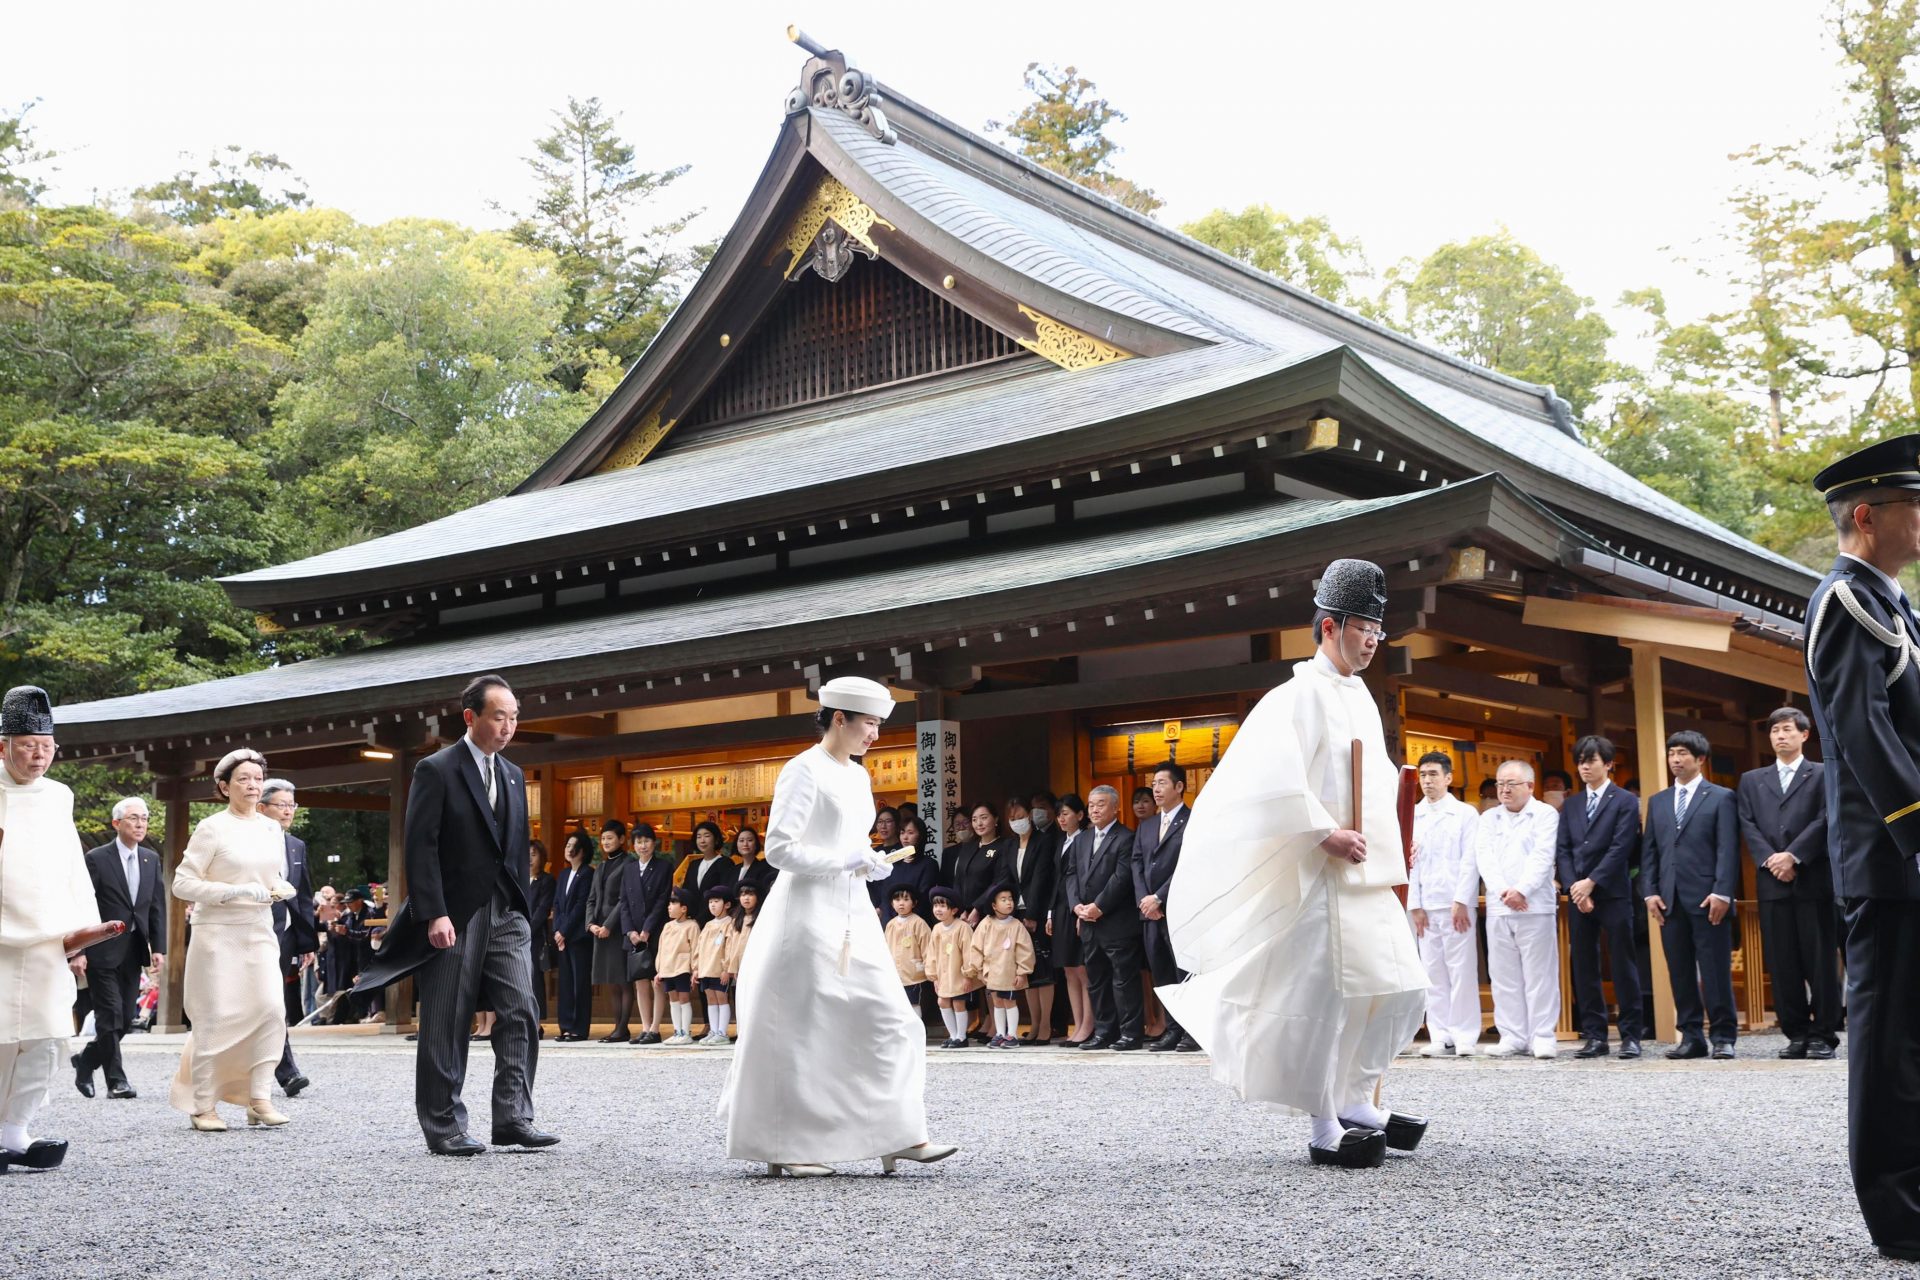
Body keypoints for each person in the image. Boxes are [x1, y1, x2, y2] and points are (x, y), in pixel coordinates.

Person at [1162, 559, 1428, 1170]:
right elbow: (1264, 778)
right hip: (1322, 873)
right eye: (1366, 627)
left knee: (1396, 984)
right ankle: (1324, 1123)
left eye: (1379, 631)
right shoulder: (1294, 695)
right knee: (1327, 995)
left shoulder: (1359, 694)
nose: (1373, 641)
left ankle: (1359, 1098)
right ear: (1331, 625)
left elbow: (1376, 777)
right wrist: (1322, 832)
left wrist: (1397, 831)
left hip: (1365, 872)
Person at [719, 675, 955, 1177]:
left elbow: (847, 843)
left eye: (878, 725)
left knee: (891, 1015)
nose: (874, 734)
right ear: (839, 718)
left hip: (850, 908)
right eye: (868, 723)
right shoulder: (802, 770)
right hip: (804, 911)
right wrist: (847, 858)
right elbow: (780, 848)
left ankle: (901, 1132)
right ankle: (788, 1144)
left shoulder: (858, 775)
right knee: (804, 1025)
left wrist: (869, 861)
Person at [353, 673, 554, 1158]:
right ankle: (443, 1124)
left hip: (507, 910)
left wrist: (524, 910)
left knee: (522, 1009)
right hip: (454, 912)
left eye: (514, 718)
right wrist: (435, 912)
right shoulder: (436, 769)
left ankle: (513, 1117)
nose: (507, 727)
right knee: (448, 1015)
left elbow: (515, 848)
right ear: (471, 717)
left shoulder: (511, 774)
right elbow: (420, 847)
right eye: (498, 717)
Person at [1803, 435, 1920, 1259]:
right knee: (1886, 1044)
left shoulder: (1894, 602)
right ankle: (1897, 1212)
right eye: (1915, 506)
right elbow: (1864, 731)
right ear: (1869, 515)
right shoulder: (1848, 601)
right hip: (1890, 859)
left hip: (1904, 856)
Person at [0, 685, 105, 1172]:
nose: (38, 755)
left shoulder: (59, 796)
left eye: (45, 746)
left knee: (44, 1035)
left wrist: (82, 933)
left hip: (46, 937)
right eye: (26, 745)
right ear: (3, 746)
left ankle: (14, 1130)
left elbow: (71, 866)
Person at [170, 749, 297, 1132]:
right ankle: (203, 1104)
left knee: (271, 1009)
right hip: (217, 932)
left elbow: (269, 876)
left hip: (257, 929)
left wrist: (278, 887)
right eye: (243, 778)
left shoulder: (271, 828)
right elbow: (182, 883)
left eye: (257, 778)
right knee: (216, 1016)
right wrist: (231, 891)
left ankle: (260, 1098)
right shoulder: (212, 828)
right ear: (225, 787)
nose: (253, 785)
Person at [1738, 707, 1838, 1060]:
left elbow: (1827, 818)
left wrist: (1793, 856)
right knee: (1782, 962)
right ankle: (1795, 1032)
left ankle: (1824, 1033)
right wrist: (1772, 859)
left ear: (1804, 735)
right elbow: (1748, 824)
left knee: (1820, 960)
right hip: (1772, 882)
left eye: (1787, 730)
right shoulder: (1752, 779)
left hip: (1812, 878)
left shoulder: (1823, 774)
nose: (1780, 736)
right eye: (1775, 731)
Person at [1642, 729, 1740, 1061]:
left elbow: (1728, 849)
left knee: (1714, 970)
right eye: (1671, 753)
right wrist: (1650, 892)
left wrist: (1722, 892)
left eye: (1682, 753)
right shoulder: (1657, 801)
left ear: (1700, 759)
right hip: (1668, 900)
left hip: (1708, 898)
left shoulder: (1721, 797)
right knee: (1679, 970)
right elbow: (1650, 852)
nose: (1675, 759)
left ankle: (1724, 1036)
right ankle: (1691, 1036)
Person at [1455, 760, 1560, 1059]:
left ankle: (1541, 1035)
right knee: (1503, 974)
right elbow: (1484, 857)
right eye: (1500, 784)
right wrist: (1503, 890)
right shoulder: (1488, 818)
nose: (1504, 789)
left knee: (1539, 974)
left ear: (1530, 785)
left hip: (1535, 904)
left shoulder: (1545, 814)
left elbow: (1543, 856)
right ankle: (1512, 1035)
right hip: (1501, 906)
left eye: (1511, 784)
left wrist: (1522, 889)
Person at [1556, 735, 1645, 1060]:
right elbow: (1562, 849)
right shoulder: (1573, 804)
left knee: (1623, 963)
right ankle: (1594, 1035)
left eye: (1590, 760)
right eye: (1580, 761)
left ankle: (1631, 1035)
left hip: (1613, 892)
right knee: (1584, 964)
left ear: (1608, 764)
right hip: (1579, 895)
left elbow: (1622, 848)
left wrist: (1591, 883)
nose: (1584, 767)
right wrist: (1574, 887)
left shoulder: (1624, 801)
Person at [75, 796, 166, 1100]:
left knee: (127, 1017)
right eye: (133, 818)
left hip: (134, 948)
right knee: (109, 1014)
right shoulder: (97, 858)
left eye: (144, 818)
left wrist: (158, 947)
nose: (140, 824)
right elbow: (83, 904)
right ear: (116, 823)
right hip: (101, 947)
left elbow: (156, 906)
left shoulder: (151, 859)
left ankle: (86, 1060)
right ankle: (117, 1080)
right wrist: (79, 949)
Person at [1405, 753, 1479, 1057]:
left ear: (1448, 778)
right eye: (1423, 775)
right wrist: (1415, 905)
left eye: (1433, 774)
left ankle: (1464, 1035)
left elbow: (1470, 860)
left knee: (1461, 970)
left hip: (1455, 904)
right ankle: (1439, 1033)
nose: (1427, 781)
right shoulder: (1413, 815)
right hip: (1426, 905)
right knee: (1431, 972)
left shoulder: (1465, 814)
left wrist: (1462, 900)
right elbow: (1411, 864)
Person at [1067, 785, 1144, 1052]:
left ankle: (1131, 1033)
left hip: (1116, 920)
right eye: (1091, 805)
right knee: (1097, 979)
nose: (1095, 810)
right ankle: (1104, 1031)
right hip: (1088, 922)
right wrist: (1076, 905)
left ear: (1115, 808)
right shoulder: (1081, 840)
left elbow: (1122, 877)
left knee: (1124, 979)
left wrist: (1098, 906)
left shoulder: (1126, 837)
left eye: (1101, 804)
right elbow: (1071, 876)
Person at [1133, 762, 1196, 1053]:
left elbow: (1189, 865)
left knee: (1183, 971)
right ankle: (1171, 1029)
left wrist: (1159, 897)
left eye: (1162, 783)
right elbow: (1137, 863)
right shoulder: (1146, 826)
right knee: (1161, 973)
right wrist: (1144, 899)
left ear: (1179, 786)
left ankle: (1191, 1032)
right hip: (1149, 913)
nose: (1156, 789)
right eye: (1154, 783)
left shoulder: (1192, 820)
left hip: (1178, 909)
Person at [259, 780, 314, 1097]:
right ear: (262, 807)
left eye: (291, 805)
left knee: (273, 1001)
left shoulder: (296, 845)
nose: (288, 811)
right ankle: (287, 1070)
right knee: (271, 1001)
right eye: (281, 804)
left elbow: (303, 895)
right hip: (261, 930)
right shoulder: (249, 843)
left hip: (289, 934)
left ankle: (282, 1069)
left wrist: (308, 942)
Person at [1004, 796, 1057, 1046]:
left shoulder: (1044, 842)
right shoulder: (1011, 846)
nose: (1017, 822)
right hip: (1016, 915)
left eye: (1021, 817)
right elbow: (1009, 880)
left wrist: (1034, 914)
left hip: (1035, 913)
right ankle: (1034, 1024)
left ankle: (1046, 1025)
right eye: (1012, 819)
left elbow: (1041, 878)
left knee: (1043, 970)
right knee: (1026, 971)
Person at [1047, 793, 1093, 1045]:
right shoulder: (1061, 842)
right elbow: (1058, 880)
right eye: (1059, 814)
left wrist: (1080, 910)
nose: (1061, 819)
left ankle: (1088, 1024)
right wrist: (1050, 912)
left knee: (1081, 968)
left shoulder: (1085, 840)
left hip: (1077, 908)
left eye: (1066, 813)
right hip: (1060, 908)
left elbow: (1083, 879)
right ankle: (1077, 1025)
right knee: (1068, 969)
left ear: (1079, 815)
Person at [620, 823, 671, 1046]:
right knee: (640, 980)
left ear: (654, 843)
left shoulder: (664, 867)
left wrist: (647, 929)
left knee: (656, 980)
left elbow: (662, 900)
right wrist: (630, 931)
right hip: (634, 934)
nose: (643, 845)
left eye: (646, 841)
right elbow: (623, 903)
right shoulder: (629, 868)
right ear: (634, 845)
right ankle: (644, 1026)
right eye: (639, 842)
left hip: (655, 930)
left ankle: (656, 1028)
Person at [966, 887, 1036, 1048]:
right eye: (1003, 899)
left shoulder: (1016, 925)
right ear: (994, 905)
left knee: (1009, 1001)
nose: (1008, 902)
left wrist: (1022, 971)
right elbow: (976, 947)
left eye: (1010, 898)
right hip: (992, 972)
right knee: (997, 1002)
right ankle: (1000, 1033)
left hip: (1009, 972)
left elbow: (1025, 949)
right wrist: (979, 969)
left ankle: (1012, 1035)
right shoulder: (986, 924)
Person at [586, 819, 634, 1043]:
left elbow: (625, 898)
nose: (605, 842)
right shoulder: (601, 867)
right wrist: (591, 924)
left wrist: (608, 925)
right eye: (603, 838)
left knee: (623, 979)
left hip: (618, 928)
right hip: (599, 929)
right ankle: (617, 1027)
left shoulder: (629, 864)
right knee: (611, 981)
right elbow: (592, 899)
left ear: (622, 840)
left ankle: (623, 1028)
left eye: (610, 838)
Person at [551, 831, 595, 1041]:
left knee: (580, 982)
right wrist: (557, 931)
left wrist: (564, 931)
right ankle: (566, 1026)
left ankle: (579, 1027)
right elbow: (558, 905)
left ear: (582, 850)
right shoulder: (563, 874)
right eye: (567, 845)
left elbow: (580, 906)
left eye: (572, 846)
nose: (568, 849)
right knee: (566, 982)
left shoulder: (587, 873)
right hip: (563, 936)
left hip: (578, 937)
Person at [925, 887, 979, 1049]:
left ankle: (962, 1037)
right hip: (944, 974)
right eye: (935, 906)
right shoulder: (937, 929)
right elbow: (932, 954)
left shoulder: (962, 927)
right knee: (942, 1001)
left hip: (959, 974)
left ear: (954, 909)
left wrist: (968, 975)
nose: (938, 910)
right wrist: (933, 976)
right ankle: (953, 1035)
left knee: (958, 1003)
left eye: (942, 906)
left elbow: (969, 952)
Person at [946, 802, 1012, 927]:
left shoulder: (1004, 846)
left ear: (996, 819)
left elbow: (999, 881)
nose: (979, 823)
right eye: (974, 820)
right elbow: (958, 880)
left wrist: (977, 908)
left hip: (989, 913)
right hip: (964, 915)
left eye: (984, 818)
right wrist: (961, 909)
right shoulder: (968, 846)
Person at [872, 813, 938, 927]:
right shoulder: (892, 863)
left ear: (920, 836)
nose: (905, 837)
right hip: (891, 923)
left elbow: (923, 898)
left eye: (910, 833)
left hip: (916, 924)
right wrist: (889, 918)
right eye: (902, 833)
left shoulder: (929, 864)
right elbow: (885, 895)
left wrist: (904, 920)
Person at [653, 887, 699, 1045]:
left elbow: (695, 949)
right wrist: (659, 970)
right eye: (669, 904)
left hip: (682, 968)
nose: (669, 907)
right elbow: (661, 948)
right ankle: (677, 1031)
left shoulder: (692, 926)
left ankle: (686, 1032)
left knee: (684, 998)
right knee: (673, 999)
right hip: (668, 968)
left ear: (684, 908)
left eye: (673, 903)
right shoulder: (667, 926)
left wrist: (695, 969)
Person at [695, 885, 737, 1046]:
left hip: (719, 969)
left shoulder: (730, 924)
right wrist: (696, 968)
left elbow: (730, 947)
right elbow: (699, 947)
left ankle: (722, 1032)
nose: (712, 905)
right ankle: (713, 1030)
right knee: (710, 999)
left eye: (716, 901)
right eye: (710, 902)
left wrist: (727, 969)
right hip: (706, 968)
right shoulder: (707, 925)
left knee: (722, 998)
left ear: (726, 904)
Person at [680, 821, 738, 923]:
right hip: (691, 920)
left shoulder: (725, 863)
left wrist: (699, 920)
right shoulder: (694, 864)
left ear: (716, 839)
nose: (702, 840)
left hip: (715, 920)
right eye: (699, 837)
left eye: (706, 836)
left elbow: (724, 893)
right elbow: (686, 892)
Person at [885, 886, 932, 1010]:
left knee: (914, 1004)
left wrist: (930, 970)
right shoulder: (890, 925)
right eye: (897, 900)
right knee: (898, 1005)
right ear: (892, 903)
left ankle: (918, 1029)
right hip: (895, 974)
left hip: (914, 975)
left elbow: (928, 949)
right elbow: (886, 949)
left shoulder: (919, 923)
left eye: (906, 899)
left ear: (914, 903)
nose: (901, 903)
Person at [525, 840, 556, 1029]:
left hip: (534, 937)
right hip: (515, 936)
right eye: (527, 854)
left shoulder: (546, 880)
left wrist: (526, 930)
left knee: (534, 980)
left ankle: (536, 1025)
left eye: (534, 854)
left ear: (542, 857)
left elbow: (543, 909)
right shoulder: (519, 879)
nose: (529, 858)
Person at [735, 826, 777, 897]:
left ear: (756, 844)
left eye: (750, 840)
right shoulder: (732, 870)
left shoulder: (765, 868)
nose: (745, 844)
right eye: (741, 840)